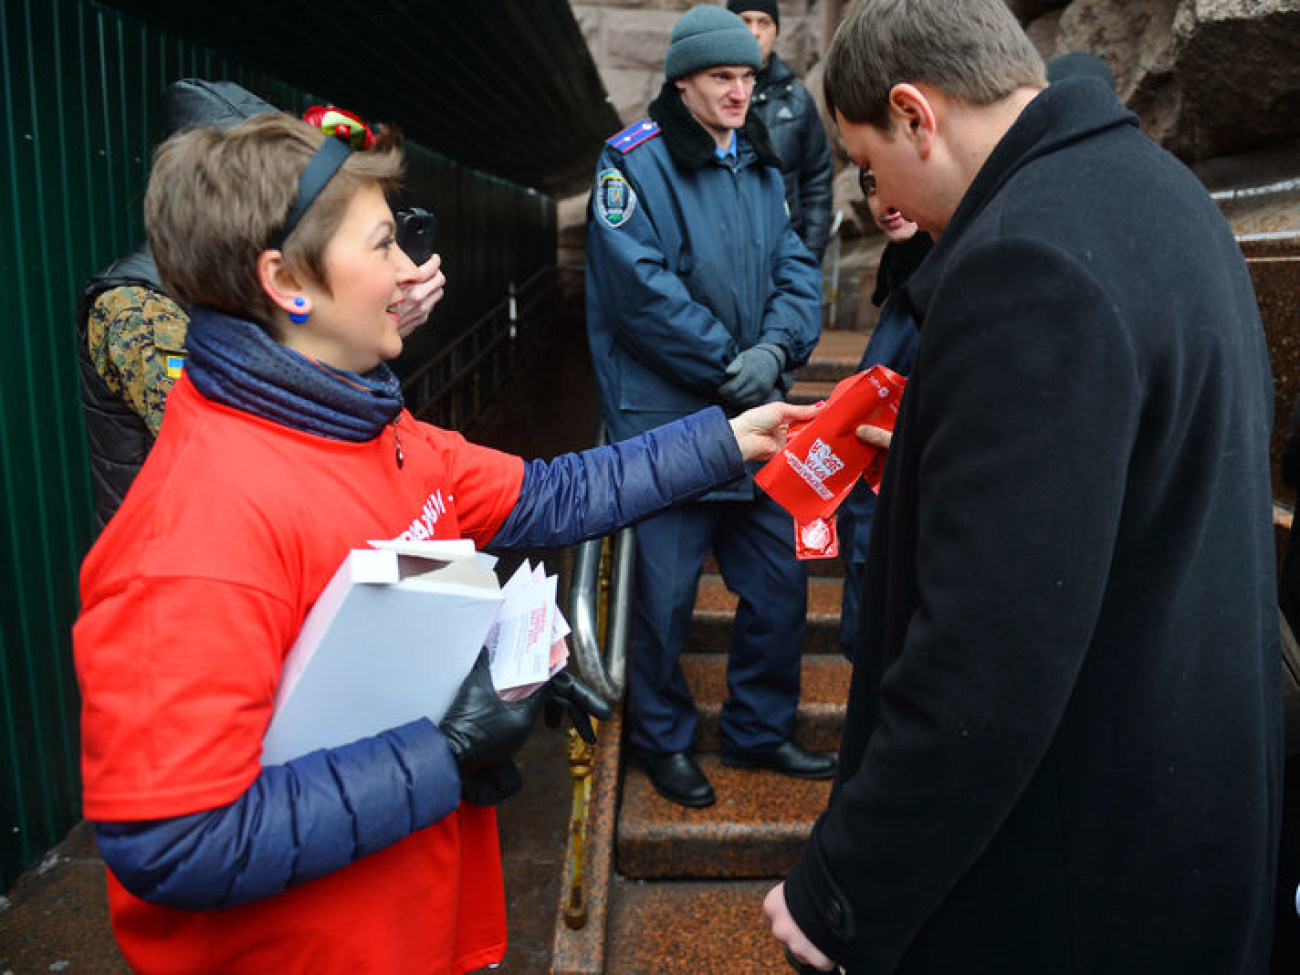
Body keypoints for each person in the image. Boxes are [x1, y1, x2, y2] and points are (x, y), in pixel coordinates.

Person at [72, 111, 816, 974]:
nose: (410, 272)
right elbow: (177, 842)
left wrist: (728, 441)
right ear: (286, 282)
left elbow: (547, 494)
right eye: (384, 244)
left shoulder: (370, 426)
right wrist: (445, 746)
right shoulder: (196, 531)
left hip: (412, 925)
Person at [764, 1, 1281, 971]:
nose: (883, 204)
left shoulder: (1022, 262)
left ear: (917, 113)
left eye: (870, 165)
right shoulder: (1156, 190)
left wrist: (841, 891)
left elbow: (987, 656)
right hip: (1179, 823)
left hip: (1072, 876)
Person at [585, 4, 829, 808]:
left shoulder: (757, 165)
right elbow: (638, 291)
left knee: (781, 582)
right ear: (682, 80)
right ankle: (663, 741)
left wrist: (773, 353)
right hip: (668, 424)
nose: (739, 90)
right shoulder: (630, 164)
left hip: (752, 417)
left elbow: (798, 271)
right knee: (661, 599)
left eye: (747, 76)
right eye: (722, 77)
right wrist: (733, 364)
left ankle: (760, 730)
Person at [75, 78, 446, 533]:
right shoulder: (134, 306)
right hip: (190, 557)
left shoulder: (262, 268)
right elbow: (239, 435)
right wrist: (356, 337)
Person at [836, 170, 932, 660]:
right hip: (875, 519)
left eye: (898, 178)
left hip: (909, 527)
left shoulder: (949, 282)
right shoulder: (904, 279)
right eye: (871, 185)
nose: (885, 200)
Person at [727, 0, 834, 264]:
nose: (754, 32)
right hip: (721, 257)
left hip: (783, 258)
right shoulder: (709, 95)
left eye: (764, 22)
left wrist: (808, 261)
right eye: (745, 21)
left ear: (776, 30)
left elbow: (817, 182)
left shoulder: (797, 100)